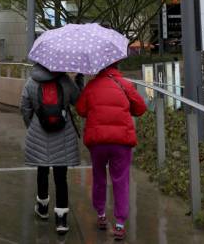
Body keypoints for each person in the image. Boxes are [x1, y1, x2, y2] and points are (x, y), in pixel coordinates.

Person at [75, 61, 146, 241]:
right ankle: (120, 224)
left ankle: (101, 215)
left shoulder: (91, 86)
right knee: (120, 180)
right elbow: (140, 108)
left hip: (98, 140)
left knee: (99, 176)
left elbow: (81, 110)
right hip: (121, 141)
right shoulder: (125, 84)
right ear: (116, 66)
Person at [20, 63, 84, 234]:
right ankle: (61, 220)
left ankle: (42, 208)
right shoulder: (64, 81)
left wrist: (32, 125)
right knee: (60, 177)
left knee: (42, 171)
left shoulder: (31, 82)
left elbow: (24, 108)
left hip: (39, 133)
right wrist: (79, 80)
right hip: (62, 134)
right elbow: (78, 101)